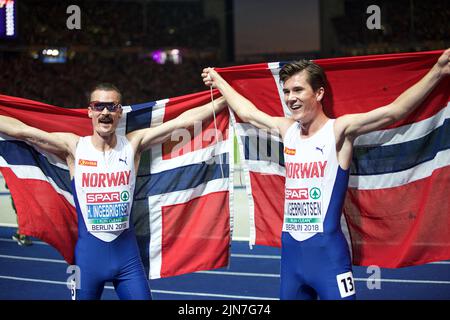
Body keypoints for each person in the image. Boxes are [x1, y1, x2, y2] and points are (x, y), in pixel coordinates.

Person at [202, 49, 450, 300]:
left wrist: (438, 71)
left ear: (319, 93)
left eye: (298, 90)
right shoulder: (286, 129)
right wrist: (218, 80)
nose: (290, 98)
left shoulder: (339, 130)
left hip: (328, 255)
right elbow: (248, 114)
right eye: (287, 91)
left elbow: (395, 111)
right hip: (291, 253)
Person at [0, 83, 227, 300]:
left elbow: (183, 122)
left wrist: (224, 99)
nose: (105, 112)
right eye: (99, 106)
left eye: (112, 106)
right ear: (90, 111)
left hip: (128, 261)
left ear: (120, 112)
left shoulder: (133, 144)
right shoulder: (74, 147)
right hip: (86, 262)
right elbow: (24, 131)